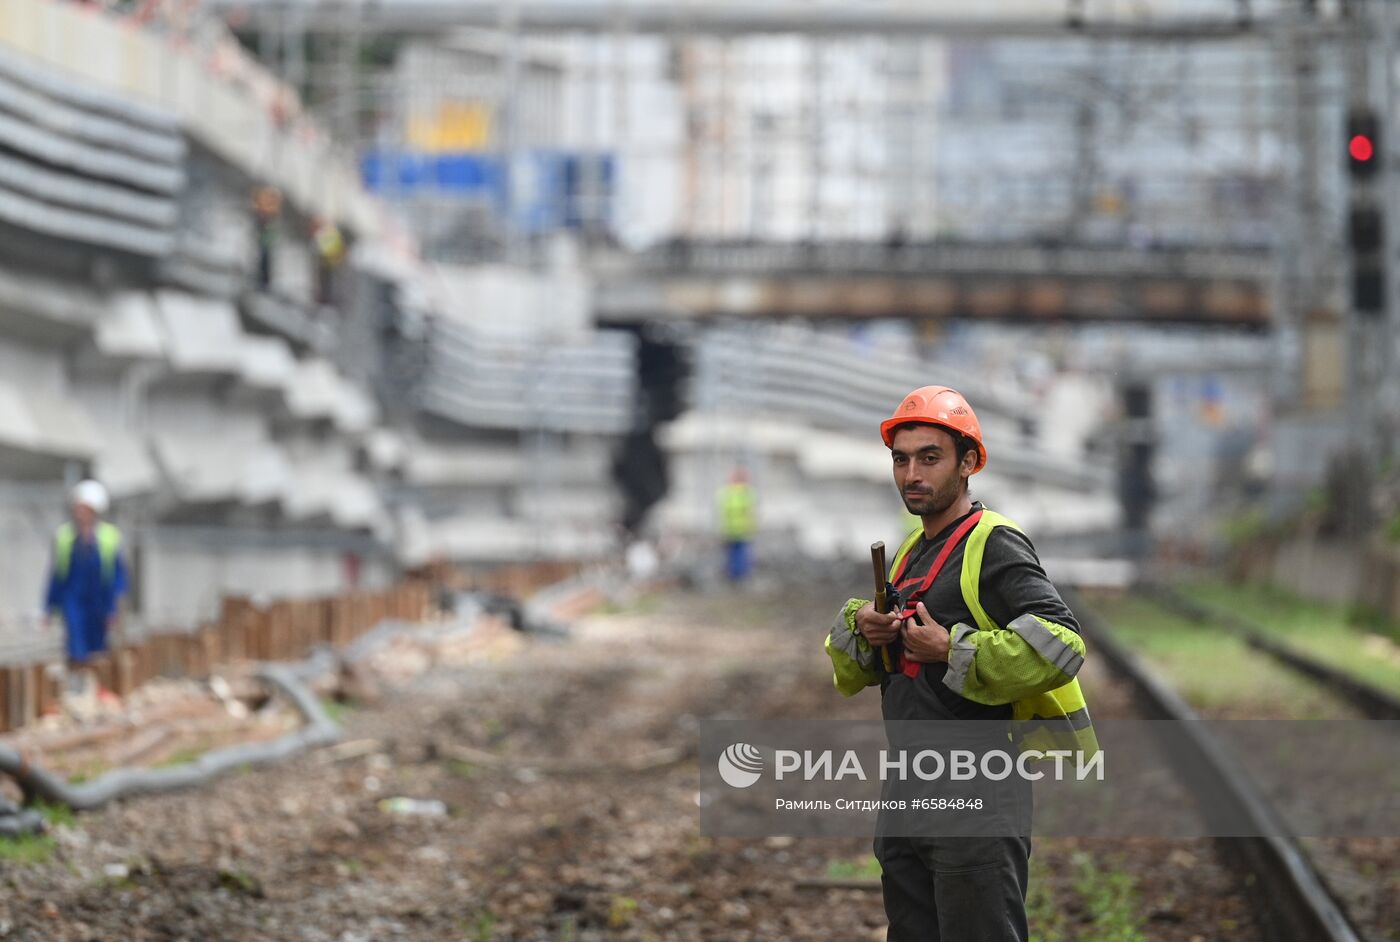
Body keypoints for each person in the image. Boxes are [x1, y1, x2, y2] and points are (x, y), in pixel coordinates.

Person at [824, 386, 1094, 942]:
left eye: (930, 457)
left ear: (968, 463)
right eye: (901, 459)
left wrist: (953, 649)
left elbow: (1063, 640)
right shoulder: (909, 552)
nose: (911, 474)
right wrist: (867, 629)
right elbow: (873, 669)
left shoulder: (994, 543)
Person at [44, 480, 128, 671]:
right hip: (73, 598)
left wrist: (113, 607)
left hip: (99, 600)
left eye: (84, 508)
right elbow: (57, 575)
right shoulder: (64, 535)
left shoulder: (109, 536)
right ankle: (77, 684)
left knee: (97, 645)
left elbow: (118, 575)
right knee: (76, 642)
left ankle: (94, 687)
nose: (79, 512)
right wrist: (49, 606)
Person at [716, 467, 756, 582]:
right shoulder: (747, 492)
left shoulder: (727, 492)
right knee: (740, 553)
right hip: (741, 528)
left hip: (732, 528)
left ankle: (735, 574)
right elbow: (750, 512)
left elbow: (723, 511)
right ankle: (740, 575)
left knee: (735, 553)